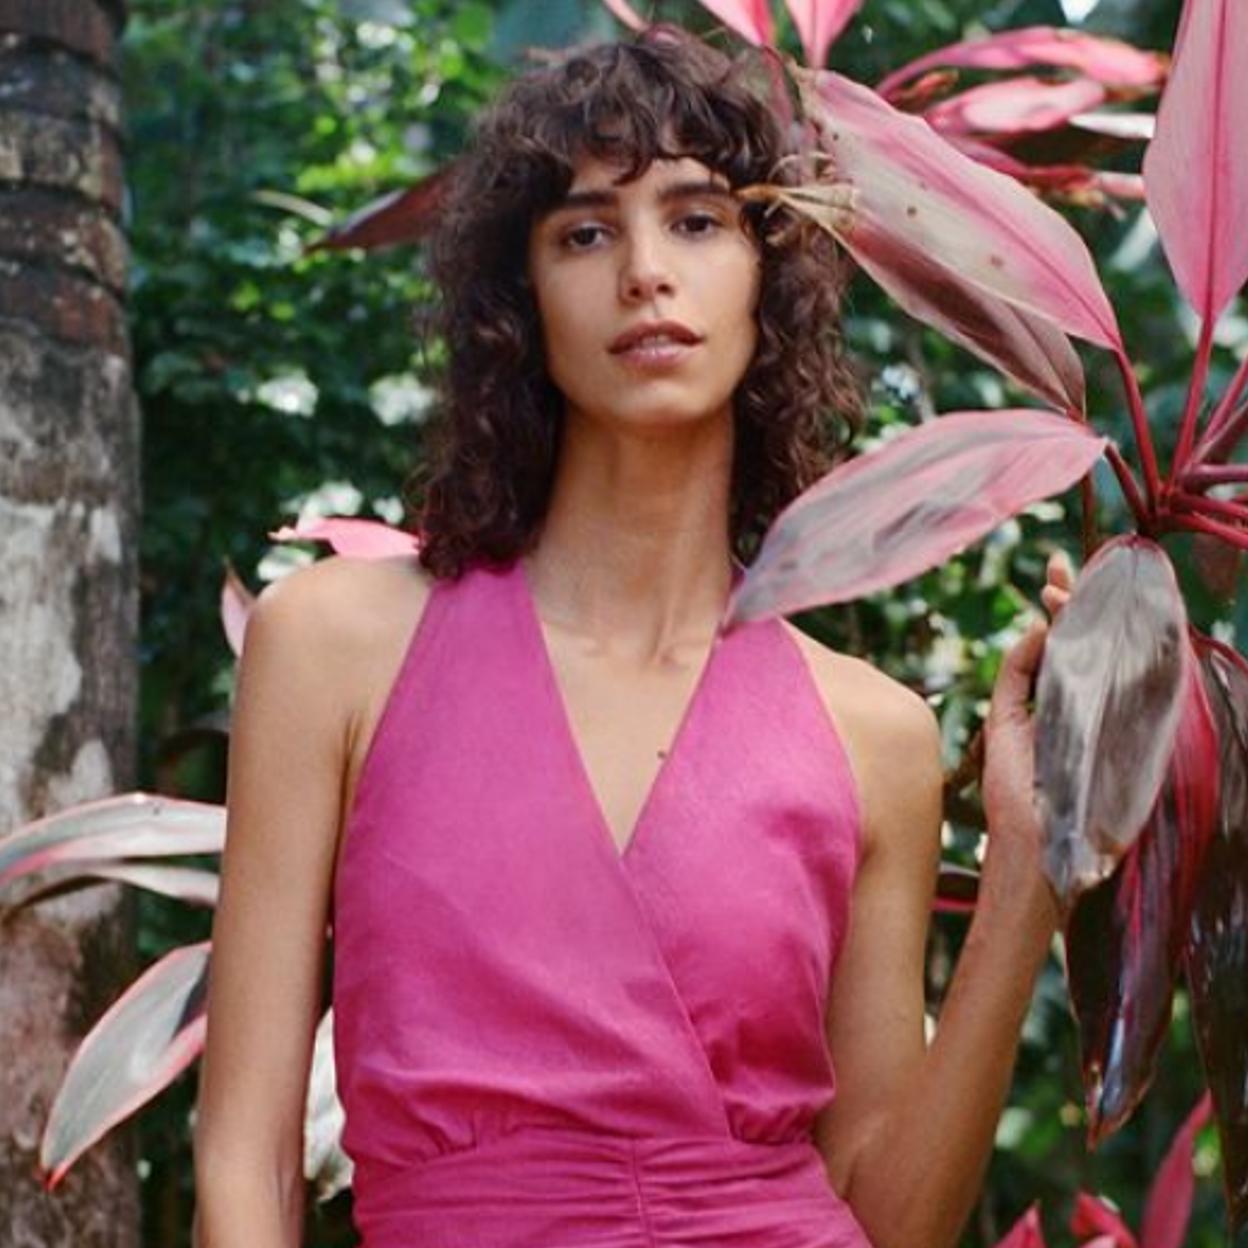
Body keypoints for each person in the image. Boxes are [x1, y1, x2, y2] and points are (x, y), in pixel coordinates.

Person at [191, 27, 1075, 1248]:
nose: (646, 272)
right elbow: (245, 1162)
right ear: (522, 299)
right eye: (587, 231)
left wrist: (1027, 875)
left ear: (770, 278)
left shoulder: (877, 735)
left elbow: (891, 1214)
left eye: (698, 220)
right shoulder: (336, 646)